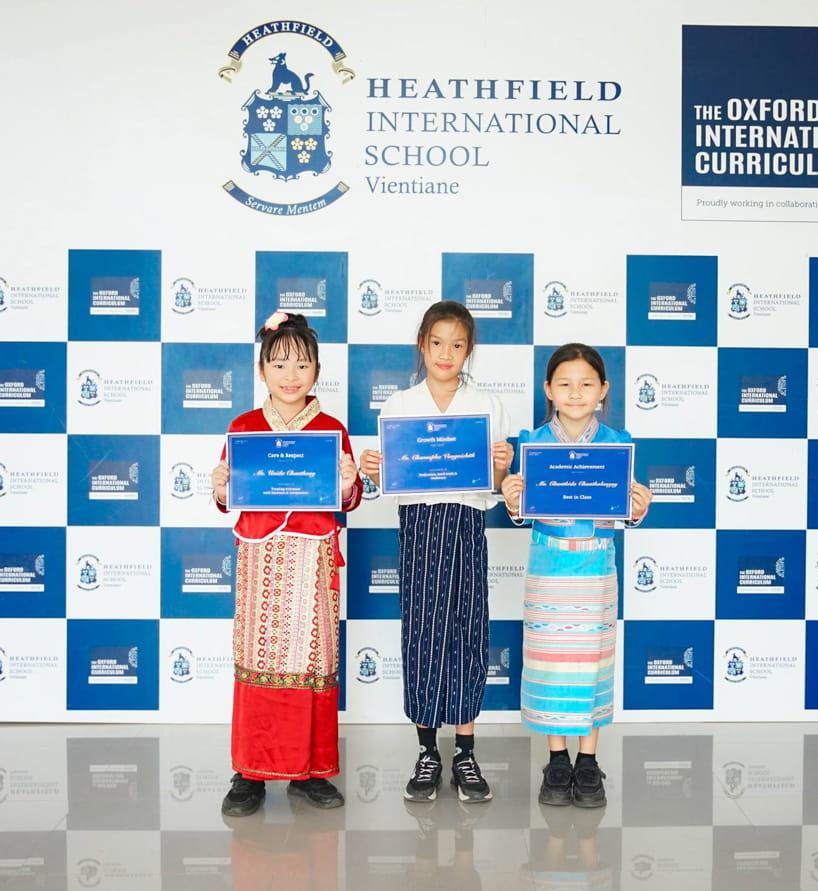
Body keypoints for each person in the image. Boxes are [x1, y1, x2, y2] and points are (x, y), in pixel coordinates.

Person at [359, 301, 514, 803]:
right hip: (421, 529)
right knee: (423, 635)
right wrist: (377, 471)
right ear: (422, 345)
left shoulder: (488, 404)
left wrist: (502, 464)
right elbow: (393, 485)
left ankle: (465, 750)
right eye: (437, 342)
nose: (446, 353)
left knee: (469, 631)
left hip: (469, 526)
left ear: (470, 351)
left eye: (458, 344)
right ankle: (428, 749)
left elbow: (496, 486)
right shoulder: (399, 407)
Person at [212, 311, 362, 816]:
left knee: (313, 660)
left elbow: (349, 498)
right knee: (260, 659)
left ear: (317, 370)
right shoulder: (245, 428)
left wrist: (345, 481)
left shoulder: (330, 429)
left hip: (313, 557)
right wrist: (219, 487)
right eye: (279, 364)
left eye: (302, 364)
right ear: (262, 371)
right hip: (261, 558)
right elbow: (229, 494)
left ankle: (311, 769)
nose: (291, 375)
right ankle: (250, 771)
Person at [501, 343, 652, 808]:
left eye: (586, 384)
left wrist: (637, 507)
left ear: (603, 391)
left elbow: (624, 509)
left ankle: (588, 761)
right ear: (549, 390)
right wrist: (511, 498)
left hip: (595, 571)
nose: (575, 392)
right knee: (551, 666)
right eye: (564, 384)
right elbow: (521, 514)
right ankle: (557, 759)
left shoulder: (615, 445)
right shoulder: (531, 444)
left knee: (592, 664)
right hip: (548, 571)